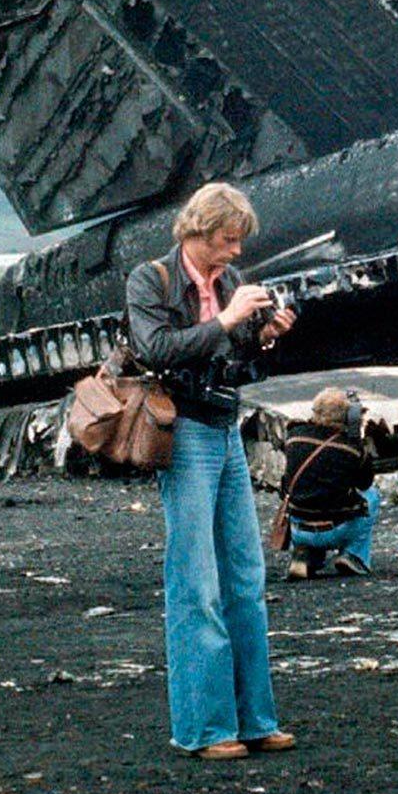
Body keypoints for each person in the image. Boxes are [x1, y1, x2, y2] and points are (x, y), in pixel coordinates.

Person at [126, 182, 298, 762]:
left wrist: (264, 337)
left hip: (226, 427)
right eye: (228, 241)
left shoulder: (226, 283)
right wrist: (228, 321)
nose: (234, 254)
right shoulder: (151, 280)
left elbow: (231, 357)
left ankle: (255, 721)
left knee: (246, 580)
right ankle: (204, 727)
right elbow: (155, 350)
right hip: (187, 435)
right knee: (196, 581)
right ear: (198, 231)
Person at [282, 387, 382, 579]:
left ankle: (306, 555)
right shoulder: (352, 449)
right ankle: (354, 556)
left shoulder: (294, 437)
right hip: (337, 530)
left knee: (302, 492)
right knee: (372, 495)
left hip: (299, 529)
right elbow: (364, 483)